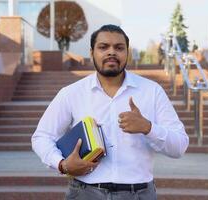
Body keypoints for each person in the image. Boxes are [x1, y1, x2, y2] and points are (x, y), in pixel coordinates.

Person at [31, 24, 189, 200]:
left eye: (119, 48)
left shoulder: (152, 91)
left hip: (139, 194)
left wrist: (148, 127)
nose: (111, 52)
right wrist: (62, 164)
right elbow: (42, 137)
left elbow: (180, 146)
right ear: (92, 53)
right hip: (84, 192)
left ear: (127, 53)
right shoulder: (71, 93)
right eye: (103, 47)